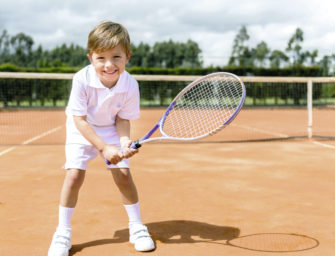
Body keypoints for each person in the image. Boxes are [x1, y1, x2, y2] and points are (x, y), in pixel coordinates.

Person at [48, 21, 155, 256]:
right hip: (81, 127)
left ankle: (137, 228)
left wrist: (124, 142)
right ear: (90, 58)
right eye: (101, 58)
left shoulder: (130, 85)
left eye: (116, 57)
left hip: (110, 128)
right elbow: (79, 120)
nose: (109, 65)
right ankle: (62, 233)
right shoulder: (81, 79)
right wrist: (104, 148)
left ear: (128, 56)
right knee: (74, 175)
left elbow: (122, 119)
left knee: (124, 175)